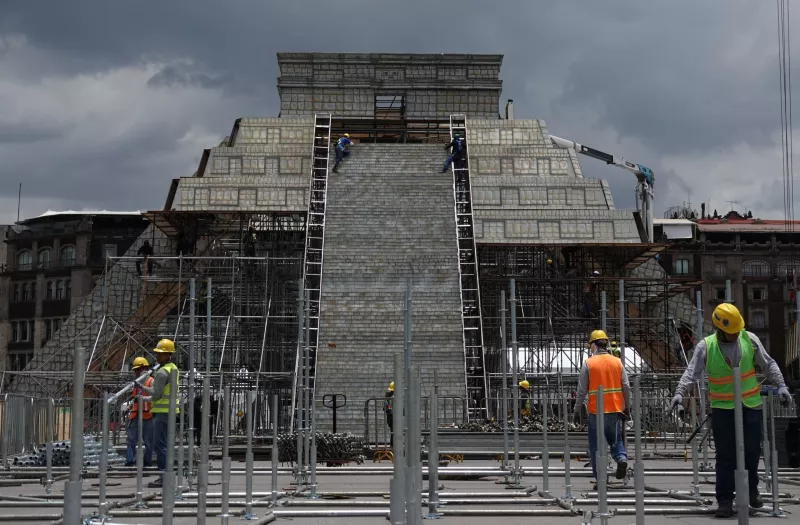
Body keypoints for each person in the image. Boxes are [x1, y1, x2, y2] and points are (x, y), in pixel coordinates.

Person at [670, 303, 791, 517]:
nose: (736, 334)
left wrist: (781, 385)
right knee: (725, 456)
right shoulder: (706, 346)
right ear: (721, 330)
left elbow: (768, 363)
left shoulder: (749, 339)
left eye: (737, 330)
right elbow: (692, 372)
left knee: (752, 453)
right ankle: (725, 499)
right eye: (732, 332)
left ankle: (751, 491)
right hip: (723, 409)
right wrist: (680, 392)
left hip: (750, 406)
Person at [574, 330, 630, 484]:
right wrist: (628, 407)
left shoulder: (589, 363)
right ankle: (621, 458)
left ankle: (601, 480)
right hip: (614, 410)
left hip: (595, 412)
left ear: (593, 345)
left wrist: (576, 410)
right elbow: (626, 386)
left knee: (596, 447)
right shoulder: (617, 362)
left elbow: (581, 390)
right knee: (615, 440)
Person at [141, 338, 180, 488]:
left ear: (168, 355)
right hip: (169, 410)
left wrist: (142, 387)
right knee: (165, 444)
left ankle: (164, 476)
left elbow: (156, 394)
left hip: (163, 411)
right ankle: (167, 475)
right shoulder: (172, 367)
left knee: (159, 444)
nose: (157, 356)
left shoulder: (163, 372)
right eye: (157, 354)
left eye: (160, 354)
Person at [125, 357, 154, 467]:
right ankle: (130, 461)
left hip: (148, 415)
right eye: (135, 370)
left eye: (137, 369)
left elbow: (154, 396)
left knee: (148, 441)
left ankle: (147, 462)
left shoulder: (151, 381)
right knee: (131, 440)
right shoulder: (135, 382)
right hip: (136, 414)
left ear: (144, 368)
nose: (135, 372)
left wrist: (142, 399)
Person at [384, 382, 394, 446]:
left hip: (390, 416)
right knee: (394, 431)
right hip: (392, 416)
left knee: (393, 431)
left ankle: (392, 444)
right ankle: (393, 444)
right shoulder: (391, 397)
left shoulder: (388, 396)